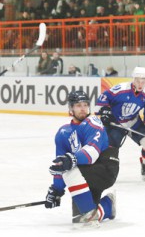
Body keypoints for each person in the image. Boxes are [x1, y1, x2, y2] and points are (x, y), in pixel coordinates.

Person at [44, 90, 119, 227]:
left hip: (105, 167)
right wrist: (57, 190)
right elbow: (61, 164)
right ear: (71, 108)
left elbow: (91, 153)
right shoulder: (62, 133)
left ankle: (90, 215)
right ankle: (107, 205)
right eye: (78, 105)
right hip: (86, 172)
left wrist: (71, 160)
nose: (83, 108)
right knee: (80, 217)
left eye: (85, 105)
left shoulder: (93, 122)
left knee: (70, 171)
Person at [96, 66, 145, 181]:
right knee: (110, 148)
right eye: (138, 80)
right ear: (133, 79)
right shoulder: (121, 89)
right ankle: (105, 170)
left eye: (143, 81)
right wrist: (104, 110)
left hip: (133, 122)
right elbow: (104, 97)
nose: (140, 84)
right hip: (115, 123)